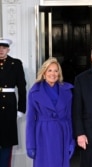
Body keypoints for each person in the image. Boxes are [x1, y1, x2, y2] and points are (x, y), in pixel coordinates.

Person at [26, 57, 75, 167]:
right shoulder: (34, 92)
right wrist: (30, 145)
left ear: (59, 73)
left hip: (63, 134)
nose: (53, 74)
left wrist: (72, 141)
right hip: (43, 136)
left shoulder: (67, 91)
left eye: (56, 71)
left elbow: (69, 117)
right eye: (50, 70)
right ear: (44, 73)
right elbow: (30, 121)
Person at [0, 38, 26, 167]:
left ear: (8, 49)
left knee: (6, 143)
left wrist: (21, 109)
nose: (1, 50)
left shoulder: (15, 64)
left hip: (9, 107)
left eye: (4, 48)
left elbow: (22, 87)